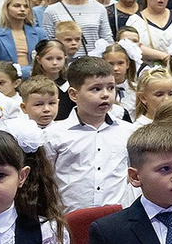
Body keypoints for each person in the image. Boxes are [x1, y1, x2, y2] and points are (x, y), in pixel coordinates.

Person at [44, 57, 131, 212]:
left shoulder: (128, 132)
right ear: (73, 94)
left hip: (116, 218)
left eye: (111, 88)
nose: (105, 95)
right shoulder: (54, 135)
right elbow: (45, 180)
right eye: (96, 89)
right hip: (70, 218)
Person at [38, 0, 110, 53]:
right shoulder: (52, 10)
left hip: (93, 59)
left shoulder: (99, 8)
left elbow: (107, 38)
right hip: (65, 59)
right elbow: (48, 42)